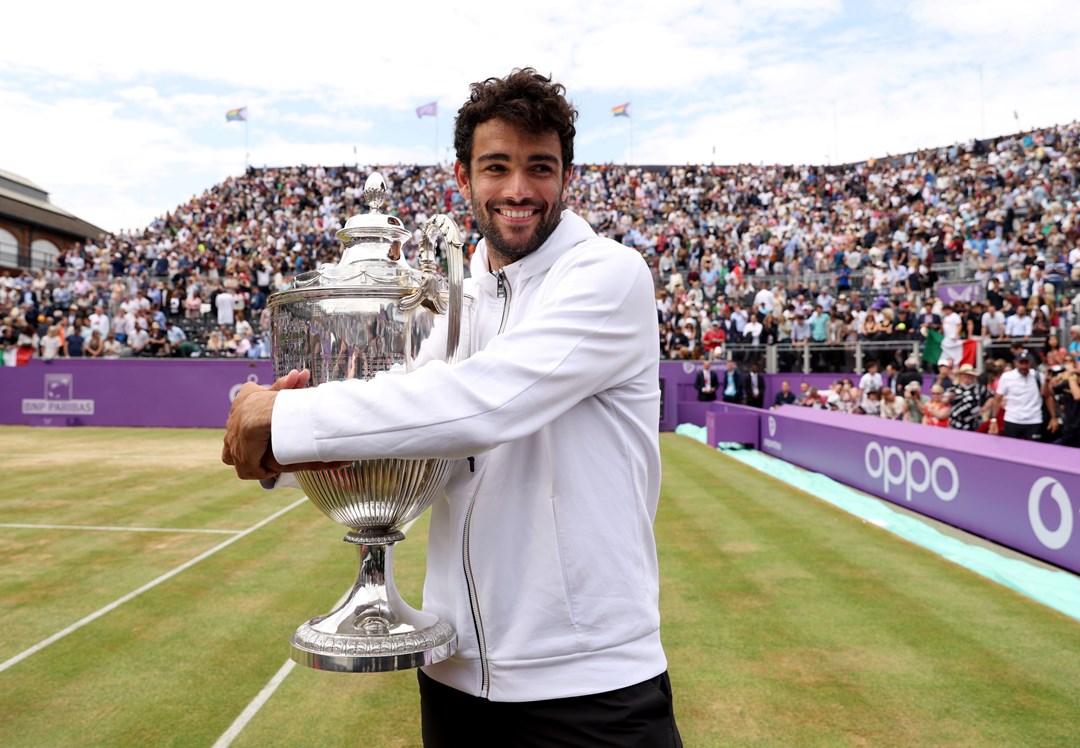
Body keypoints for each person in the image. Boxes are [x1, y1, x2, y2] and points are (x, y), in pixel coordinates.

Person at [222, 68, 681, 747]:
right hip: (453, 674)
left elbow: (484, 402)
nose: (519, 190)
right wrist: (280, 456)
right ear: (463, 180)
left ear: (566, 179)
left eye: (540, 168)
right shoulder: (464, 295)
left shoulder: (609, 275)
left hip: (589, 687)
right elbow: (410, 431)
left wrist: (282, 422)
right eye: (496, 167)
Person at [990, 350, 1046, 440]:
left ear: (1030, 363)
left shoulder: (1038, 376)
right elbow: (997, 398)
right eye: (1021, 363)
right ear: (1015, 363)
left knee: (1035, 451)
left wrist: (1054, 417)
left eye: (1026, 362)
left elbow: (1047, 396)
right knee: (1011, 451)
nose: (1024, 366)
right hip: (1012, 419)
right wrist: (993, 420)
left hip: (1034, 419)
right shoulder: (1007, 377)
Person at [945, 363, 992, 431]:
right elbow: (944, 400)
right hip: (955, 422)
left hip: (972, 423)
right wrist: (949, 397)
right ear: (961, 375)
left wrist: (984, 408)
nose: (967, 376)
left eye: (969, 375)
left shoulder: (979, 388)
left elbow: (991, 396)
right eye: (965, 374)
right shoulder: (954, 387)